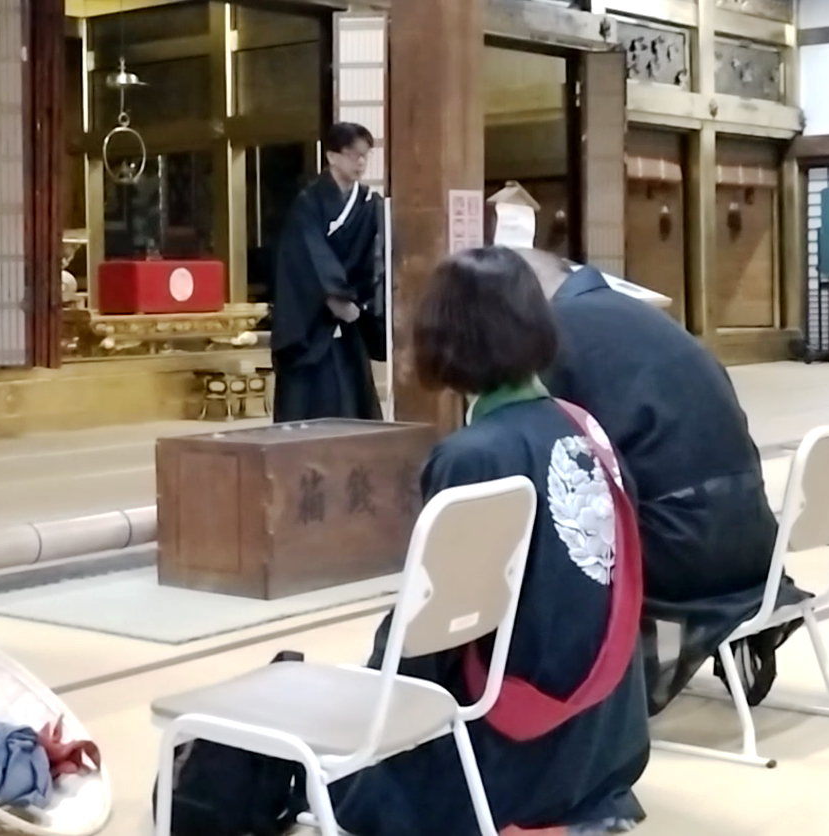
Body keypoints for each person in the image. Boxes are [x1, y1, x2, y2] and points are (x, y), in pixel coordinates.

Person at [326, 247, 649, 836]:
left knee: (338, 781)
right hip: (608, 741)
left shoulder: (474, 455)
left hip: (517, 759)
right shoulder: (586, 427)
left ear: (445, 338)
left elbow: (431, 632)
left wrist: (368, 694)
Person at [511, 247, 803, 713]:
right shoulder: (644, 315)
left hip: (683, 555)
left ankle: (557, 696)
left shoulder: (556, 333)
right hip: (755, 543)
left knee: (543, 533)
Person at [270, 122, 384, 423]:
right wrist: (335, 296)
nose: (360, 162)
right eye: (353, 155)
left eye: (365, 155)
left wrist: (366, 299)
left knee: (353, 391)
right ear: (332, 156)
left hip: (351, 313)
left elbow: (375, 254)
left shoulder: (367, 203)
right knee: (313, 395)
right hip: (311, 316)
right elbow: (307, 255)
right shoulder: (308, 204)